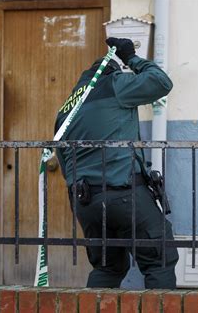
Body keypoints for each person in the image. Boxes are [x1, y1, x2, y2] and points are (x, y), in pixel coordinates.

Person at [55, 37, 179, 288]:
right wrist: (131, 58)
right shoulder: (114, 83)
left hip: (86, 202)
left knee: (107, 268)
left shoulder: (67, 109)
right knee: (159, 260)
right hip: (124, 193)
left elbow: (63, 158)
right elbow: (161, 83)